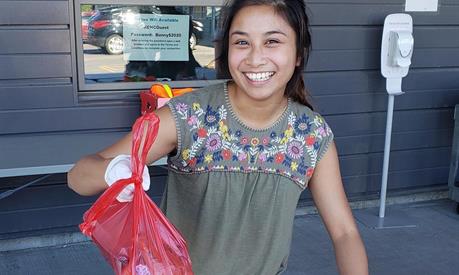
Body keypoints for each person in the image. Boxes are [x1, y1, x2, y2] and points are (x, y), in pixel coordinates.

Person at [68, 0, 369, 274]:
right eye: (242, 42)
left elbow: (345, 233)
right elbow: (78, 177)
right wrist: (112, 172)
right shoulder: (190, 115)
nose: (255, 58)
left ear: (299, 54)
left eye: (272, 41)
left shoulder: (311, 135)